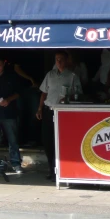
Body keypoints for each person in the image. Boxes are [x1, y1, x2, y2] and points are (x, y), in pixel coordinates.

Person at [37, 51, 82, 181]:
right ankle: (52, 170)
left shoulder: (73, 76)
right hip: (48, 110)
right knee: (47, 141)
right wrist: (39, 108)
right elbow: (43, 93)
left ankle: (61, 170)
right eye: (57, 59)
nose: (59, 62)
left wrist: (69, 97)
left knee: (60, 141)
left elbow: (78, 95)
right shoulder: (50, 75)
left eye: (61, 59)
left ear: (67, 60)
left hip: (63, 113)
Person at [0, 57, 23, 174]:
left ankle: (16, 163)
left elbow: (19, 92)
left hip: (9, 113)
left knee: (13, 140)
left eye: (0, 66)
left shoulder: (11, 75)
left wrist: (8, 100)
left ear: (4, 64)